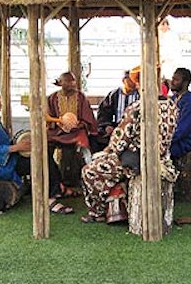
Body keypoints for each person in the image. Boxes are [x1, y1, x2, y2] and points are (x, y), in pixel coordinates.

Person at [81, 73, 179, 223]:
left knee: (89, 171)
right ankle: (118, 199)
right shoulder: (172, 105)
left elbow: (120, 140)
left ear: (142, 85)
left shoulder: (138, 107)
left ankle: (97, 211)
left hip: (137, 160)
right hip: (163, 158)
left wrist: (107, 151)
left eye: (138, 84)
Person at [0, 86, 73, 214]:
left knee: (45, 155)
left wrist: (19, 145)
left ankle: (58, 188)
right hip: (5, 166)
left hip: (12, 158)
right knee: (41, 161)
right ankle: (50, 199)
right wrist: (18, 147)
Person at [47, 71, 98, 189]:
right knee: (45, 145)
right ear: (60, 83)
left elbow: (87, 117)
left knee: (83, 143)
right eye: (68, 81)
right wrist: (60, 122)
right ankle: (54, 180)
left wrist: (76, 124)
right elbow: (48, 117)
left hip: (77, 130)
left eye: (73, 80)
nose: (72, 83)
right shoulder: (52, 98)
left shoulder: (80, 97)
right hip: (57, 131)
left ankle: (86, 177)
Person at [94, 70, 140, 150]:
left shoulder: (139, 95)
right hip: (116, 127)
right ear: (123, 80)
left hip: (133, 128)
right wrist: (107, 125)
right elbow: (103, 112)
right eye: (130, 79)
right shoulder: (113, 95)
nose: (133, 82)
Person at [169, 68, 191, 158]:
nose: (172, 82)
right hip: (176, 140)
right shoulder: (173, 99)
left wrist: (164, 140)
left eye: (176, 80)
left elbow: (182, 130)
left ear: (185, 83)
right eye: (172, 78)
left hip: (188, 142)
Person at [158, 18, 182, 91]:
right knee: (164, 81)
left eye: (162, 25)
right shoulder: (163, 35)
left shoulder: (171, 36)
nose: (160, 28)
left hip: (170, 62)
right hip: (165, 64)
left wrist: (162, 59)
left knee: (169, 81)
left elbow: (169, 50)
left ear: (166, 25)